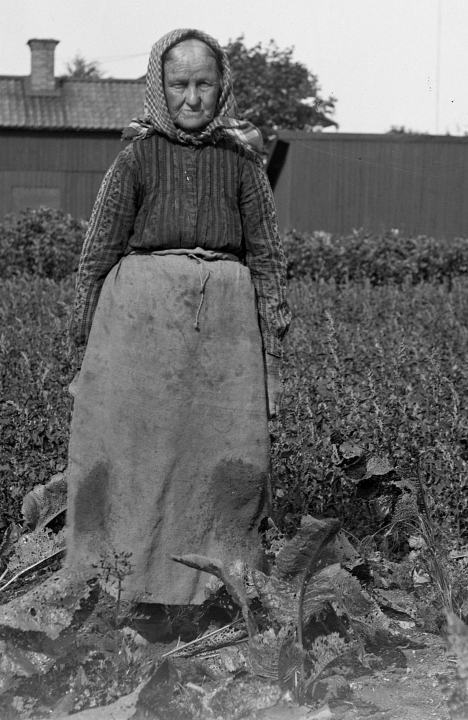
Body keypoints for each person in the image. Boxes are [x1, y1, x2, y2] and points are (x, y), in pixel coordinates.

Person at [63, 28, 290, 620]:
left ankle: (217, 594)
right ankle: (124, 590)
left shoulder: (242, 163)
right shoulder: (135, 158)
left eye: (204, 83)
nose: (192, 97)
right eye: (179, 84)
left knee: (226, 458)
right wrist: (80, 349)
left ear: (223, 88)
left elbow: (266, 256)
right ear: (160, 89)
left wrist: (276, 354)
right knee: (138, 454)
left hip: (226, 335)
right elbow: (96, 254)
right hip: (140, 331)